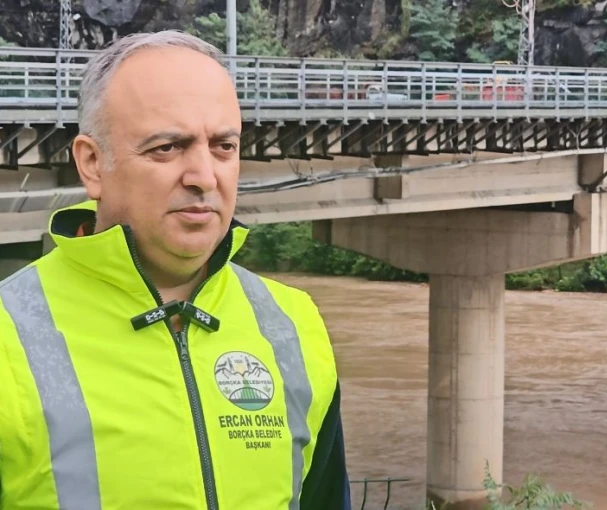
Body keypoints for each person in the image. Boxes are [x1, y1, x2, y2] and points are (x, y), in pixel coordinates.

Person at [0, 31, 350, 509]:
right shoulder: (8, 331)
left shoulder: (294, 325)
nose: (204, 177)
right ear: (92, 163)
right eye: (167, 147)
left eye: (223, 146)